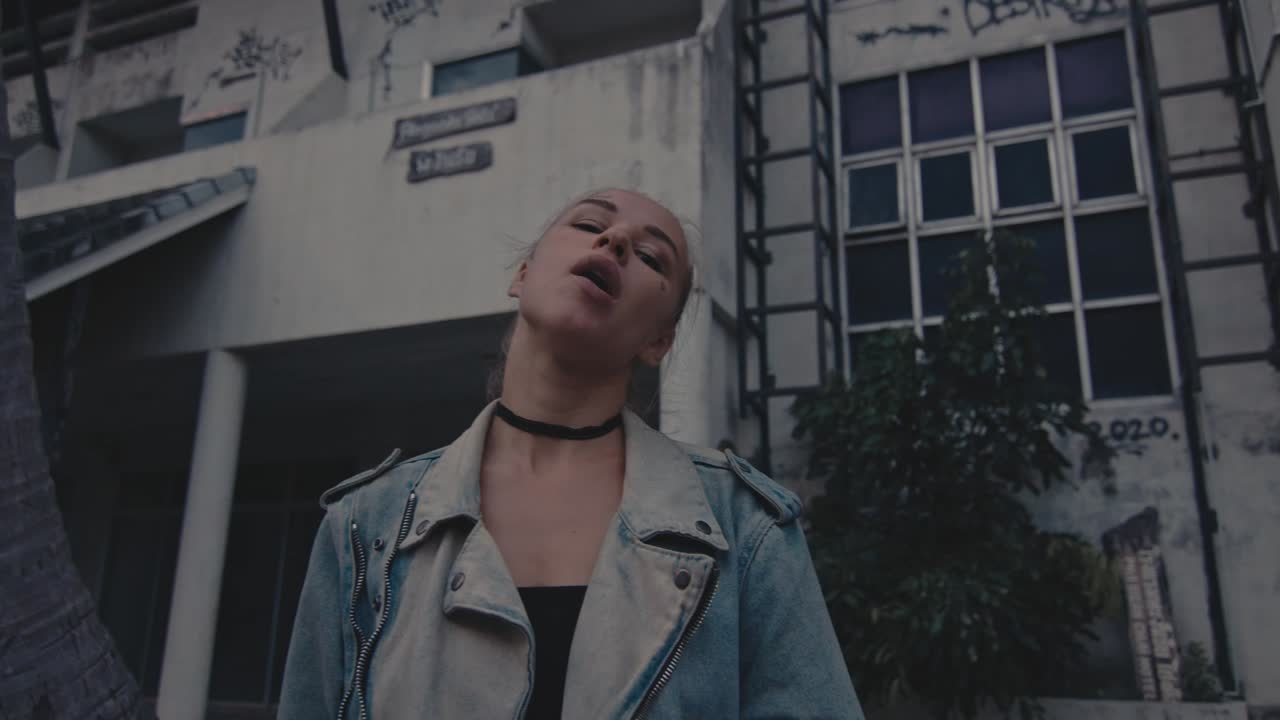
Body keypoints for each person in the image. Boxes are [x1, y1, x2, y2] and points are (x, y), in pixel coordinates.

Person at [278, 189, 863, 719]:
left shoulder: (748, 527)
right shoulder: (363, 524)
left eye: (653, 258)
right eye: (589, 224)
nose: (615, 240)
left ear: (659, 340)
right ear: (523, 275)